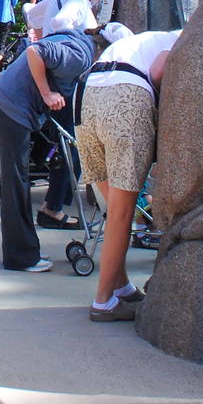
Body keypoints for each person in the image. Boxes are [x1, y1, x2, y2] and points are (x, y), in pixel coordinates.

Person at [0, 0, 120, 272]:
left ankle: (35, 233)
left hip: (14, 100)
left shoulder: (71, 1)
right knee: (16, 182)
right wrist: (47, 91)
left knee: (24, 173)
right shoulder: (78, 41)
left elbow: (32, 15)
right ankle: (22, 256)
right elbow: (39, 48)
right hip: (13, 104)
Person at [77, 22, 179, 321]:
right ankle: (103, 301)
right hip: (126, 99)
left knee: (114, 212)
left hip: (89, 96)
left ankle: (120, 286)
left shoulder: (145, 38)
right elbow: (160, 71)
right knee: (123, 214)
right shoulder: (180, 38)